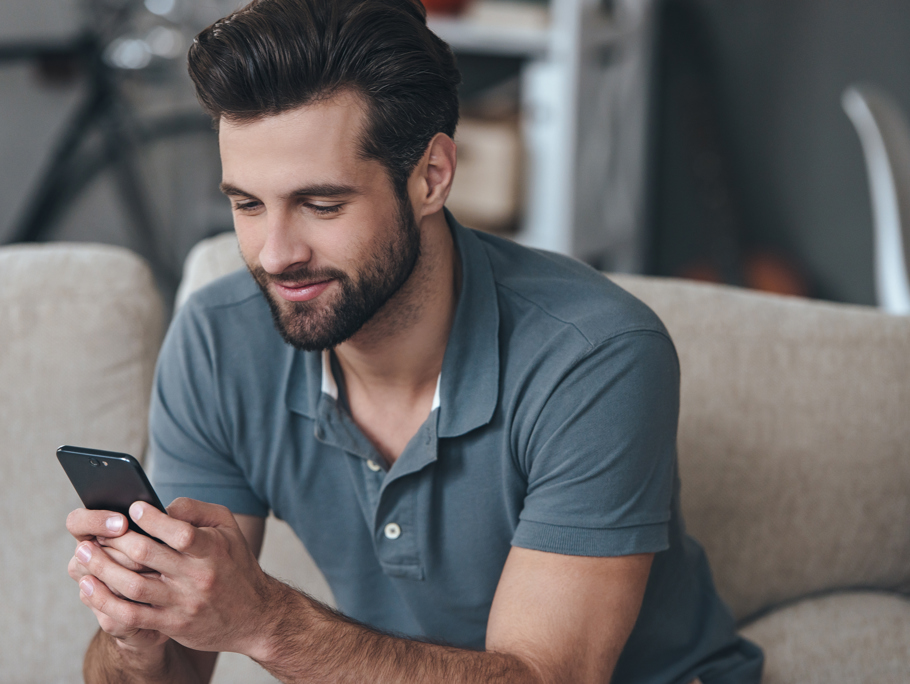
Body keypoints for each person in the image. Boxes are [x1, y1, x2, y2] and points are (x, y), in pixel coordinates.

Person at [66, 0, 763, 681]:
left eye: (322, 204)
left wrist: (265, 621)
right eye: (247, 204)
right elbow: (182, 667)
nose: (275, 254)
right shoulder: (221, 343)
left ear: (432, 177)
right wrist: (139, 631)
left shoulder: (595, 355)